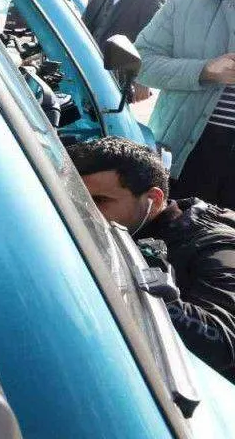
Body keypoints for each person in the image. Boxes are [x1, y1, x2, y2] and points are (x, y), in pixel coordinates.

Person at [69, 137, 235, 380]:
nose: (85, 211)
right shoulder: (128, 224)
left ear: (154, 200)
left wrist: (160, 301)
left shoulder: (215, 247)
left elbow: (223, 341)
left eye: (100, 200)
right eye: (77, 198)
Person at [135, 0, 235, 210]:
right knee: (174, 227)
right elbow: (140, 63)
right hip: (191, 150)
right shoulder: (185, 5)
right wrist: (204, 70)